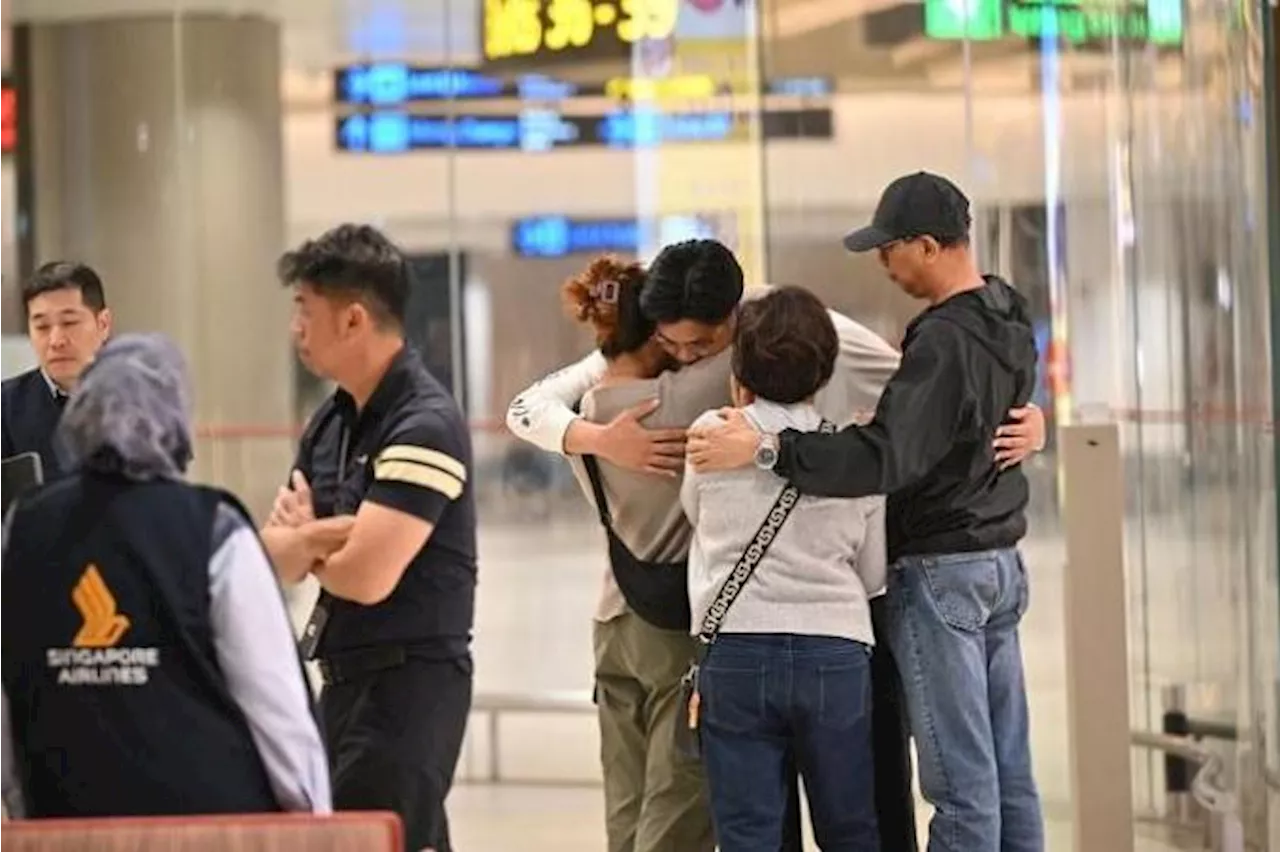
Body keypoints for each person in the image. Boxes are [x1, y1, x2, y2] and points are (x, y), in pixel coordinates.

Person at [506, 238, 1046, 852]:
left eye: (701, 346)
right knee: (859, 817)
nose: (683, 358)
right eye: (669, 344)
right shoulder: (796, 415)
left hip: (721, 638)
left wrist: (1019, 417)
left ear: (736, 340)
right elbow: (869, 566)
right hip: (836, 642)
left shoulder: (756, 361)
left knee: (741, 824)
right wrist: (598, 437)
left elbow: (933, 389)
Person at [688, 172, 1045, 852]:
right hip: (1001, 561)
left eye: (890, 249)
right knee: (1009, 771)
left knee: (960, 782)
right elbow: (997, 416)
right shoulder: (1008, 310)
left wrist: (766, 448)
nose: (884, 264)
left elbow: (885, 458)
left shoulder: (940, 338)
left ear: (927, 245)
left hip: (943, 569)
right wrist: (1041, 424)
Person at [0, 333, 331, 819]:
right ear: (176, 419)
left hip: (65, 822)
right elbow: (274, 704)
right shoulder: (214, 532)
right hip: (210, 827)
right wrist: (312, 820)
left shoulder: (21, 531)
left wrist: (22, 813)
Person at [261, 224, 476, 852]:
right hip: (343, 680)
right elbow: (274, 554)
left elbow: (367, 577)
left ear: (353, 319)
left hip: (411, 687)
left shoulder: (424, 423)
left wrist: (312, 541)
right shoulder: (331, 422)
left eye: (305, 310)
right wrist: (331, 537)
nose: (296, 329)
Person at [683, 286, 885, 852]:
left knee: (748, 835)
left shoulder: (710, 431)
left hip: (738, 650)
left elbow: (694, 515)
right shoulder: (855, 451)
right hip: (836, 652)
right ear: (824, 371)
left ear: (739, 366)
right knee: (850, 829)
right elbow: (872, 576)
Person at [561, 256, 726, 852]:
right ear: (655, 329)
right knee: (678, 801)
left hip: (611, 620)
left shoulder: (582, 413)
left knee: (625, 808)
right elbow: (752, 325)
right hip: (670, 628)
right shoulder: (675, 399)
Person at [0, 262, 112, 477]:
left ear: (103, 324)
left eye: (69, 323)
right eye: (42, 327)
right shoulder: (6, 406)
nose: (56, 340)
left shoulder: (139, 401)